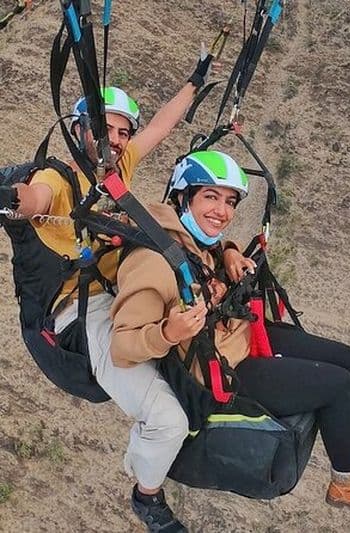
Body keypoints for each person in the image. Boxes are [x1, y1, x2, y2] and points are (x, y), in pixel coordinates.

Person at [109, 150, 350, 522]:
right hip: (227, 369)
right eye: (211, 197)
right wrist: (168, 332)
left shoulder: (194, 237)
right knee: (337, 385)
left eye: (229, 201)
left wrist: (231, 252)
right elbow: (122, 347)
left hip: (243, 336)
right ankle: (345, 482)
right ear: (183, 197)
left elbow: (214, 250)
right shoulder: (153, 262)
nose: (222, 211)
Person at [0, 55, 213, 533]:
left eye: (122, 133)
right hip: (84, 311)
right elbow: (34, 197)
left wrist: (195, 80)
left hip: (123, 291)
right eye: (107, 131)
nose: (116, 141)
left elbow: (160, 126)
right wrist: (15, 200)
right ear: (80, 131)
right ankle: (147, 495)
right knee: (168, 420)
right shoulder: (62, 178)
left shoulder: (117, 169)